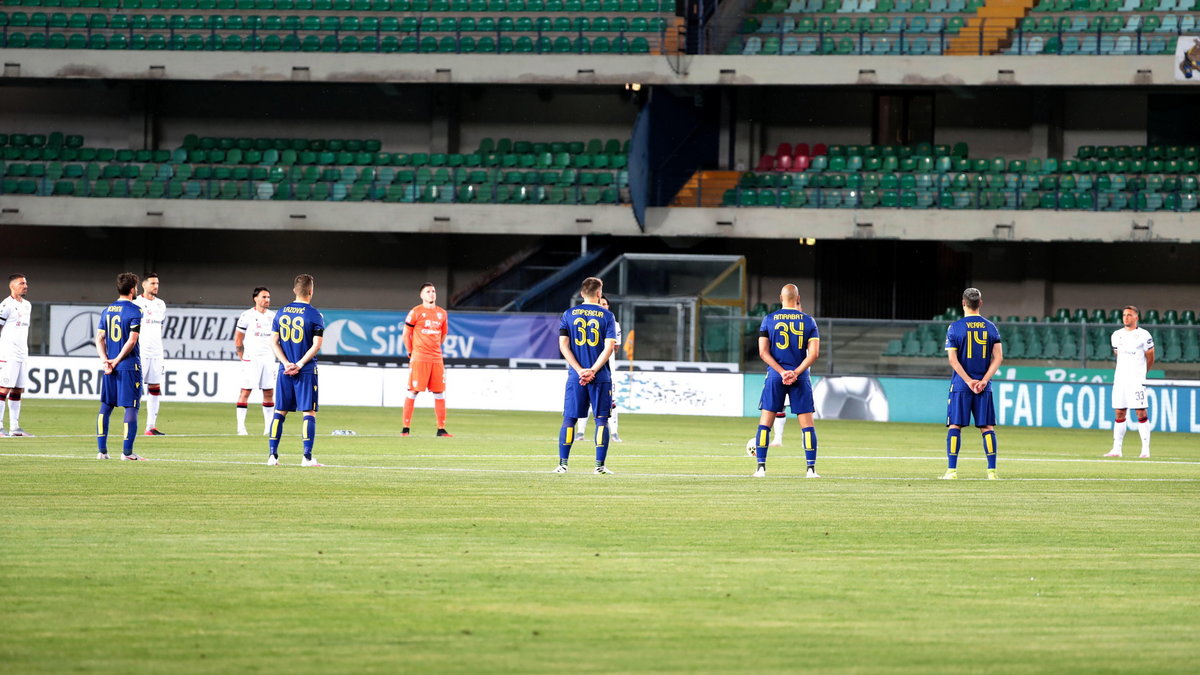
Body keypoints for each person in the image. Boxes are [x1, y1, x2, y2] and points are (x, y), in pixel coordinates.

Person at [748, 284, 821, 478]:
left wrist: (781, 372)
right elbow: (814, 354)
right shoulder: (808, 321)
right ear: (798, 298)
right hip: (801, 376)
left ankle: (760, 468)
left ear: (780, 297)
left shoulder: (769, 319)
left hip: (775, 376)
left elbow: (763, 352)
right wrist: (795, 372)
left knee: (765, 422)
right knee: (807, 425)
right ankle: (811, 470)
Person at [555, 277, 618, 474]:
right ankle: (599, 467)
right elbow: (609, 348)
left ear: (582, 293)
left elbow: (563, 346)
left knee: (570, 419)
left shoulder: (568, 314)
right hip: (600, 377)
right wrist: (593, 370)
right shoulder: (608, 316)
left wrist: (580, 370)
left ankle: (562, 464)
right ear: (599, 294)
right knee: (601, 420)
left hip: (576, 376)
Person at [942, 287, 1003, 480]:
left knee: (955, 426)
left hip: (961, 385)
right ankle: (991, 472)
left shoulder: (955, 327)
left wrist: (968, 381)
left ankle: (952, 471)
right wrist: (984, 380)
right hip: (984, 386)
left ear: (963, 303)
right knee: (987, 428)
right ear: (980, 303)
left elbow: (953, 360)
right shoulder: (991, 327)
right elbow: (998, 357)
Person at [268, 274, 325, 467]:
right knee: (308, 413)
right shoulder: (315, 314)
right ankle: (307, 458)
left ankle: (272, 456)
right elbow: (316, 345)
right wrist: (299, 364)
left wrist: (285, 363)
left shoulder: (281, 312)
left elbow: (273, 342)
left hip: (284, 370)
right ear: (311, 291)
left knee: (280, 412)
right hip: (306, 370)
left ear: (294, 290)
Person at [95, 272, 145, 460]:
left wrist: (105, 360)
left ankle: (102, 452)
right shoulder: (135, 310)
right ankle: (127, 453)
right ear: (132, 290)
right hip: (129, 366)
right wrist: (116, 361)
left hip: (110, 368)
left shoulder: (107, 310)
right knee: (131, 408)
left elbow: (99, 338)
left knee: (105, 407)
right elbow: (132, 340)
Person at [401, 282, 452, 437]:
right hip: (420, 358)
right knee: (413, 391)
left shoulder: (442, 313)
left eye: (433, 291)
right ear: (422, 295)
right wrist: (411, 352)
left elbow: (443, 335)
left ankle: (441, 429)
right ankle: (406, 428)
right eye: (428, 291)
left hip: (436, 359)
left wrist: (434, 348)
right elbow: (405, 334)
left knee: (439, 393)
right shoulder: (415, 312)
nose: (432, 294)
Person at [1104, 305, 1155, 459]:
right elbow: (1117, 354)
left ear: (1136, 317)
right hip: (1120, 380)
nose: (1126, 317)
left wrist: (1142, 374)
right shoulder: (1116, 335)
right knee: (1119, 412)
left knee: (1140, 412)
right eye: (1124, 315)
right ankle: (1116, 449)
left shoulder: (1144, 335)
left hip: (1137, 380)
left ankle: (1145, 449)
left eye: (1130, 315)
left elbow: (1151, 356)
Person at [576, 294, 623, 443]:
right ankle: (580, 432)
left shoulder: (613, 324)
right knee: (583, 400)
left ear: (608, 307)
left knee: (611, 401)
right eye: (600, 303)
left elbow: (615, 348)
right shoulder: (585, 321)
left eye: (605, 304)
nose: (603, 306)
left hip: (607, 369)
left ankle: (614, 432)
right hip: (585, 365)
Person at [234, 287, 277, 436]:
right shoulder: (247, 315)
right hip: (251, 358)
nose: (267, 300)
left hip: (268, 358)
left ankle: (268, 429)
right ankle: (241, 428)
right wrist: (242, 356)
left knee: (269, 392)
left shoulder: (274, 317)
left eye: (269, 297)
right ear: (255, 299)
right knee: (246, 391)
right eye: (264, 297)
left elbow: (277, 339)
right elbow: (238, 338)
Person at [133, 272, 167, 435]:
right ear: (144, 285)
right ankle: (131, 423)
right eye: (153, 283)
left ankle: (150, 427)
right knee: (136, 388)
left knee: (155, 387)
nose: (156, 286)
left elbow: (159, 327)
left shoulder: (161, 305)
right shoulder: (136, 303)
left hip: (156, 353)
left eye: (158, 283)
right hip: (140, 353)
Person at [0, 274, 34, 437]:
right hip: (8, 353)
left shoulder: (27, 305)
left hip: (22, 353)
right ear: (12, 286)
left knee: (18, 389)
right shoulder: (5, 305)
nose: (25, 286)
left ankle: (15, 427)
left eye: (26, 283)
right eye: (22, 283)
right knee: (3, 389)